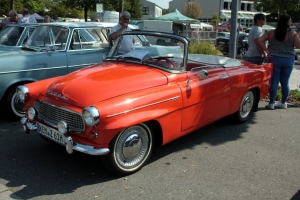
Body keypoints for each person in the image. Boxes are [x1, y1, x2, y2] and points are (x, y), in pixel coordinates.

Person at [258, 14, 300, 110]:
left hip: (274, 59)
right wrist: (297, 36)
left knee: (274, 82)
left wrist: (266, 51)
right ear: (286, 22)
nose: (291, 22)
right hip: (288, 60)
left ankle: (271, 103)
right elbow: (298, 46)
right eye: (290, 20)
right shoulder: (292, 33)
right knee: (285, 83)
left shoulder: (271, 33)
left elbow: (259, 40)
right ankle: (283, 102)